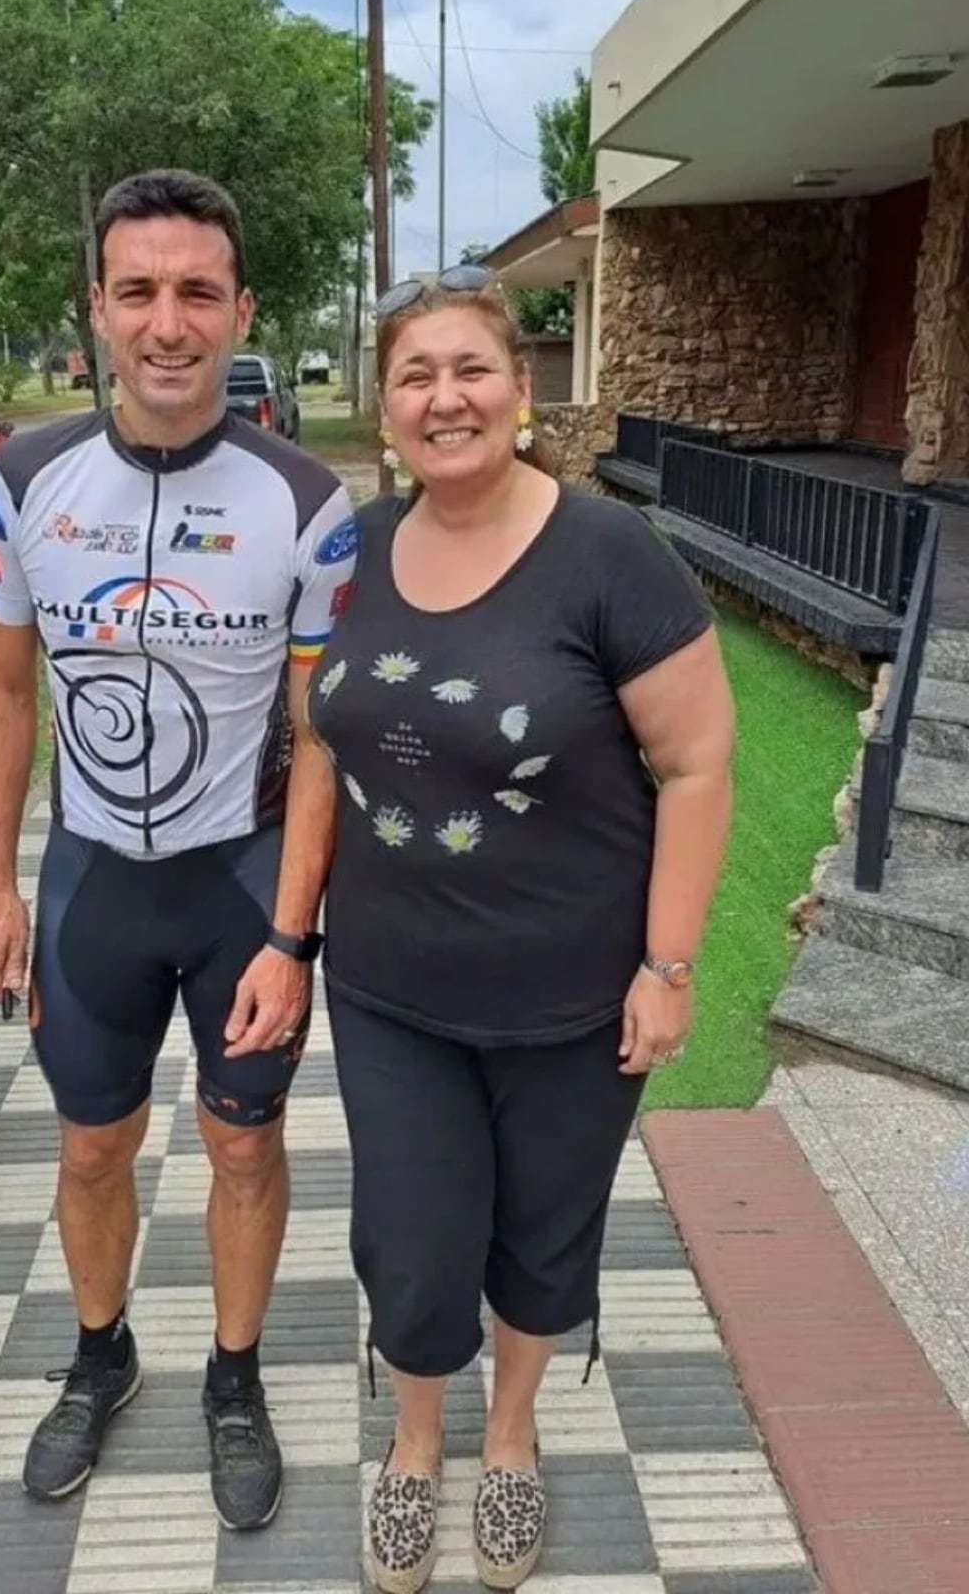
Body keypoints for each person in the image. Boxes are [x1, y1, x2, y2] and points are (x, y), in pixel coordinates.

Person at [305, 267, 735, 1592]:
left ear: (522, 387)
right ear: (387, 406)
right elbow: (317, 742)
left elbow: (701, 764)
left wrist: (668, 967)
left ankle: (509, 1439)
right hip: (389, 989)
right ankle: (416, 1444)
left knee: (545, 1238)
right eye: (417, 375)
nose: (447, 398)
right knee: (415, 1242)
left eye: (470, 369)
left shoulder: (607, 554)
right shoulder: (354, 551)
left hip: (571, 998)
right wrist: (284, 936)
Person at [0, 169, 355, 1524]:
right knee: (90, 1149)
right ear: (96, 311)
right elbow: (5, 687)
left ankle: (233, 1375)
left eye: (198, 291)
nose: (169, 321)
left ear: (241, 309)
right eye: (139, 290)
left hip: (239, 883)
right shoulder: (20, 480)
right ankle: (100, 1356)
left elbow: (323, 735)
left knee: (244, 1146)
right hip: (90, 890)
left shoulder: (307, 502)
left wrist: (295, 933)